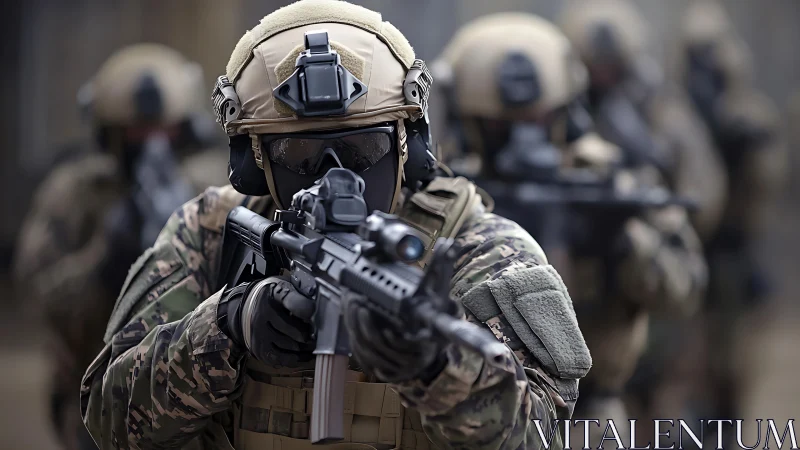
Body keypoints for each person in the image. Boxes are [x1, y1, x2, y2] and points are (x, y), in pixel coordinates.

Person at [80, 1, 592, 449]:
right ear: (256, 161)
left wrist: (438, 365)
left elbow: (543, 435)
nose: (333, 177)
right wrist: (227, 327)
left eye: (364, 149)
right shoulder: (210, 232)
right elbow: (108, 421)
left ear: (406, 145)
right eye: (298, 154)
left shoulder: (480, 249)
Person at [434, 12, 706, 448]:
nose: (524, 142)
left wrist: (623, 246)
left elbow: (687, 286)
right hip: (467, 418)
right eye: (500, 127)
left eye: (538, 121)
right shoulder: (446, 192)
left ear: (567, 113)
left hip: (592, 421)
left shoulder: (608, 178)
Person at [13, 43, 223, 450]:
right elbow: (36, 294)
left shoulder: (213, 186)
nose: (152, 144)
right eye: (137, 133)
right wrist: (107, 259)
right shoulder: (76, 192)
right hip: (100, 392)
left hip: (191, 394)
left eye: (164, 130)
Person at [675, 0, 788, 434]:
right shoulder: (677, 111)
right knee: (684, 355)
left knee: (731, 353)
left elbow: (768, 183)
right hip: (690, 246)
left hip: (732, 249)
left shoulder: (748, 114)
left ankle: (726, 421)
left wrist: (741, 147)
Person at [559, 0, 728, 242]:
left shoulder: (658, 105)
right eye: (594, 70)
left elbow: (702, 193)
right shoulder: (561, 109)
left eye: (612, 68)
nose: (603, 78)